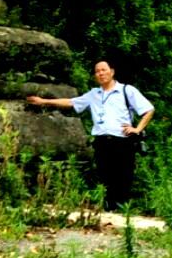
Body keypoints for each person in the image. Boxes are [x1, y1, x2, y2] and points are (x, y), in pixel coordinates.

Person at [27, 60, 154, 210]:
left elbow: (149, 109)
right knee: (104, 174)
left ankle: (122, 208)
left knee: (123, 175)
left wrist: (137, 129)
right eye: (97, 71)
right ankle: (107, 207)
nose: (101, 73)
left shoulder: (127, 90)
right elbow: (71, 102)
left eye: (104, 70)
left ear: (112, 72)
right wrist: (44, 101)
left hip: (122, 140)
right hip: (102, 141)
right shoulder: (94, 94)